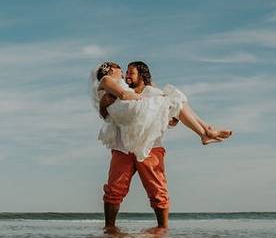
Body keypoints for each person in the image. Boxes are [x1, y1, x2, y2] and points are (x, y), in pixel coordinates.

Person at [93, 61, 233, 228]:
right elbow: (107, 108)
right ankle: (110, 229)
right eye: (124, 71)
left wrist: (163, 114)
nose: (126, 75)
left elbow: (172, 120)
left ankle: (163, 230)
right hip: (123, 147)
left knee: (158, 191)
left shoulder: (154, 92)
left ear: (142, 76)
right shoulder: (116, 88)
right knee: (114, 190)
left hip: (151, 145)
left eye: (131, 72)